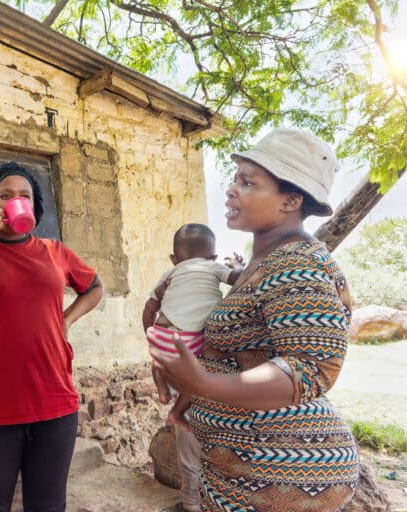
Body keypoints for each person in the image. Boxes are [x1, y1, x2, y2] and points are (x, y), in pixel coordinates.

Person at [148, 127, 360, 511]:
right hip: (243, 472)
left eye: (248, 182)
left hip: (287, 477)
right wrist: (192, 396)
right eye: (235, 180)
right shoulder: (263, 262)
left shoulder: (298, 262)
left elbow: (310, 367)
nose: (231, 190)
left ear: (291, 199)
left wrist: (204, 382)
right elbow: (242, 354)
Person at [0, 162, 104, 511]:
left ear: (32, 206)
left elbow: (94, 287)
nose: (16, 200)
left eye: (24, 196)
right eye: (6, 195)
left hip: (54, 401)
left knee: (47, 505)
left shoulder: (55, 251)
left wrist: (67, 320)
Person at [142, 223, 242, 512]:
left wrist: (149, 332)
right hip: (191, 348)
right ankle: (175, 410)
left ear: (174, 258)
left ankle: (163, 390)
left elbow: (150, 305)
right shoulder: (212, 270)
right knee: (193, 387)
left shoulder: (171, 273)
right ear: (212, 257)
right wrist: (237, 267)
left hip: (161, 334)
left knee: (158, 360)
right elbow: (238, 278)